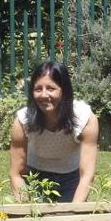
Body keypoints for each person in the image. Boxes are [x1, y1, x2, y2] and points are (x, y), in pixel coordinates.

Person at [8, 60, 99, 202]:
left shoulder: (84, 118)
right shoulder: (22, 121)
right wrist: (28, 210)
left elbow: (87, 174)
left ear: (64, 90)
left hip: (72, 179)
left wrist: (74, 212)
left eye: (51, 88)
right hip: (34, 178)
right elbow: (16, 174)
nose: (44, 95)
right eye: (38, 89)